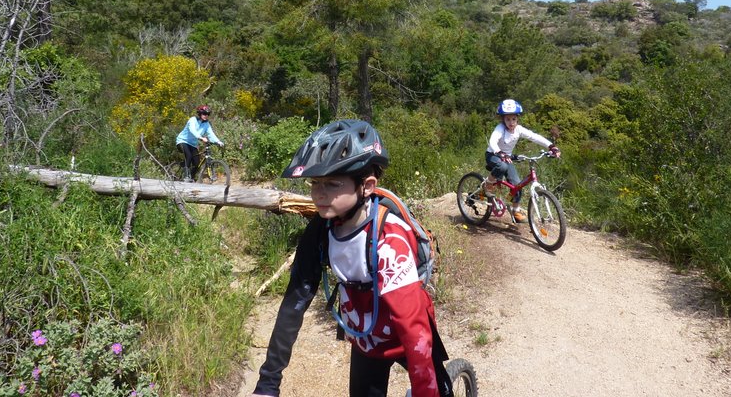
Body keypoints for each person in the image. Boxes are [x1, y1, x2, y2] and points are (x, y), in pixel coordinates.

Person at [250, 119, 454, 397]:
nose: (319, 194)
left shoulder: (390, 238)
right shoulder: (321, 228)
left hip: (407, 335)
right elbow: (294, 304)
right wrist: (267, 384)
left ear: (367, 186)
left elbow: (413, 328)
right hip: (366, 341)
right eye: (315, 183)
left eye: (332, 184)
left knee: (437, 390)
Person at [486, 99, 561, 222]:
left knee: (517, 184)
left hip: (507, 158)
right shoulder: (500, 128)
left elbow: (534, 137)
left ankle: (515, 211)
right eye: (508, 119)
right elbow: (493, 141)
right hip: (493, 154)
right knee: (502, 167)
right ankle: (488, 183)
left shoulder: (519, 129)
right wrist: (499, 152)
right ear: (503, 120)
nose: (511, 122)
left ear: (517, 119)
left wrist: (551, 146)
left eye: (514, 119)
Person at [175, 104, 224, 182]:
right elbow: (192, 130)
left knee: (196, 163)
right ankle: (186, 176)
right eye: (204, 113)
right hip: (182, 141)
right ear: (200, 113)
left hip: (192, 144)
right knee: (189, 155)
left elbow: (211, 134)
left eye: (207, 114)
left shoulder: (206, 124)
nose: (206, 116)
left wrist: (218, 141)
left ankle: (191, 178)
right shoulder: (192, 120)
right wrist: (201, 138)